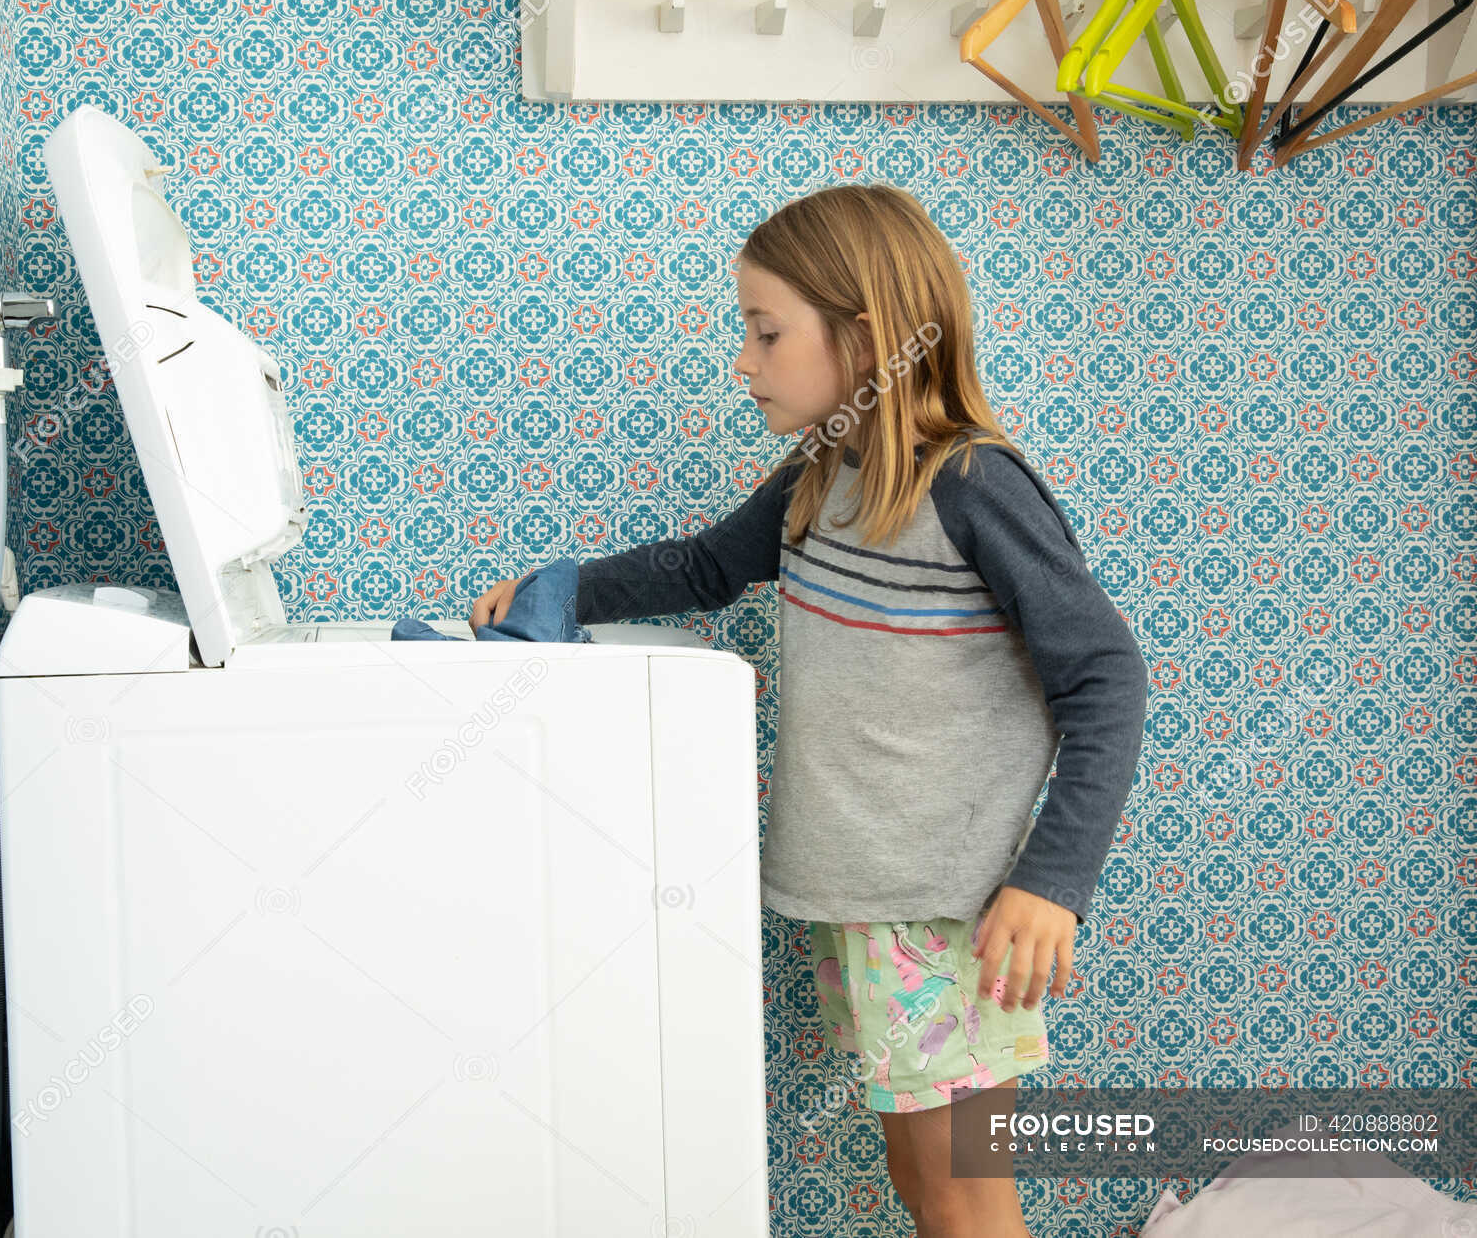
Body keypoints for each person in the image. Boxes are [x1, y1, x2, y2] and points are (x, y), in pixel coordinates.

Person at [470, 184, 1149, 1238]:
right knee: (923, 1180)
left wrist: (1053, 881)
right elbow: (704, 566)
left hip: (948, 909)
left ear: (867, 337)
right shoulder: (821, 472)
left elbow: (1105, 672)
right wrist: (561, 589)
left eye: (765, 329)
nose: (744, 358)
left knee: (967, 1194)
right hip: (869, 899)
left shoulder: (969, 483)